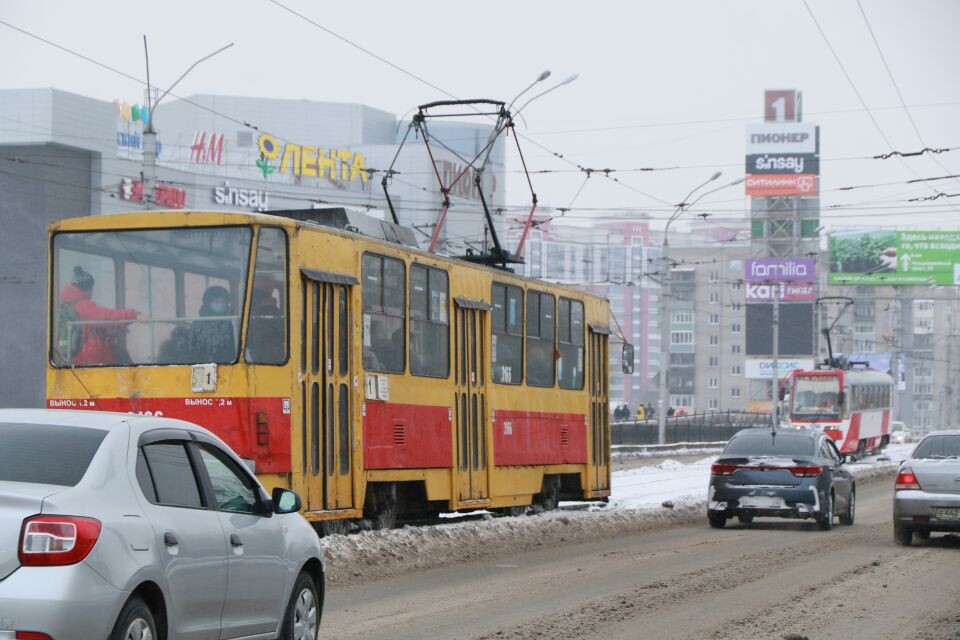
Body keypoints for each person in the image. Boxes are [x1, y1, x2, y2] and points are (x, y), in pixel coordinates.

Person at [59, 266, 143, 365]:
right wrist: (134, 314)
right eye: (91, 288)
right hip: (88, 357)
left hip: (76, 355)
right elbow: (107, 316)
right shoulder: (83, 306)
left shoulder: (67, 305)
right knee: (122, 357)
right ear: (87, 289)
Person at [190, 285, 237, 363]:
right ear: (209, 304)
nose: (220, 304)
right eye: (217, 302)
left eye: (223, 301)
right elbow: (192, 346)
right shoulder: (198, 323)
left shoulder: (232, 322)